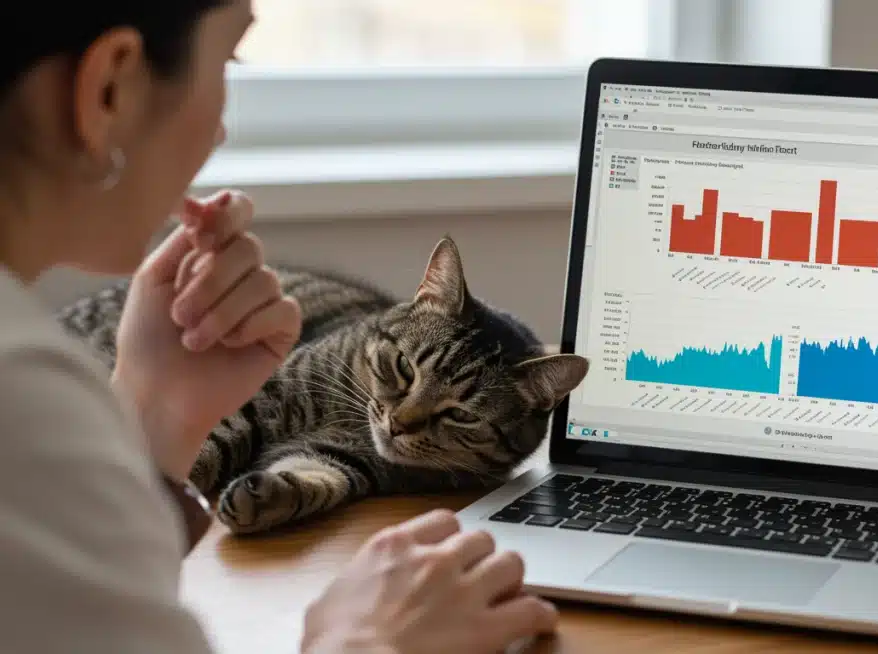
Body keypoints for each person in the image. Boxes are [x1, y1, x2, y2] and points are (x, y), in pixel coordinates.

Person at [0, 1, 559, 653]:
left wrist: (152, 417)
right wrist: (363, 642)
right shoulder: (24, 401)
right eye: (229, 61)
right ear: (108, 89)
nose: (220, 133)